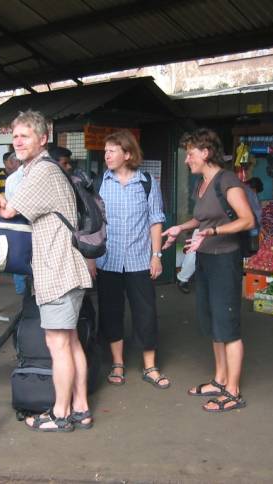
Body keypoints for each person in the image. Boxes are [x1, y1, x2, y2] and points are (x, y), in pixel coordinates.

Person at [0, 110, 93, 432]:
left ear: (43, 139)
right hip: (67, 268)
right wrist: (5, 194)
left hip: (58, 271)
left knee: (58, 345)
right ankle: (81, 408)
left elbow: (10, 211)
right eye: (15, 135)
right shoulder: (40, 170)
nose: (18, 141)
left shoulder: (43, 171)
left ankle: (60, 415)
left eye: (25, 135)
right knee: (70, 342)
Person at [162, 128, 254, 412]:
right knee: (213, 321)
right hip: (205, 258)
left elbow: (246, 220)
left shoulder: (226, 181)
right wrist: (182, 227)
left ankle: (233, 391)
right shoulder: (201, 183)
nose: (187, 159)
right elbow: (201, 218)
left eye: (190, 153)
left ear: (205, 152)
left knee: (227, 324)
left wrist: (212, 231)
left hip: (225, 259)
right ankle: (219, 379)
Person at [94, 130, 170, 389]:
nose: (107, 155)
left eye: (112, 151)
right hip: (108, 261)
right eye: (105, 151)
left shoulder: (146, 182)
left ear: (127, 154)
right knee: (111, 312)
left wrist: (156, 255)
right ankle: (117, 363)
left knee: (145, 313)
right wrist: (90, 259)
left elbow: (155, 219)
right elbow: (92, 224)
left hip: (139, 261)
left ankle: (150, 366)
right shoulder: (99, 183)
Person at [3, 151, 27, 296]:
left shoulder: (11, 179)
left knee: (19, 258)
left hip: (16, 226)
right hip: (30, 224)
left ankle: (22, 292)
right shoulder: (33, 177)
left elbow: (9, 204)